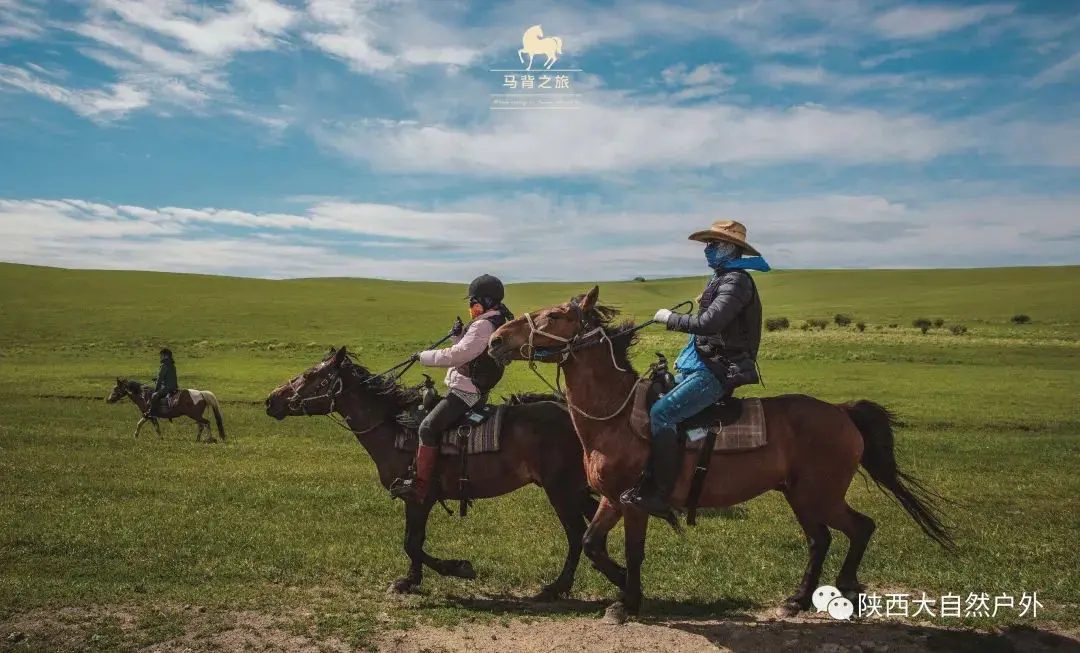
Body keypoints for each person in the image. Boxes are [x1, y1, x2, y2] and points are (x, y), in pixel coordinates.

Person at [621, 220, 771, 518]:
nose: (707, 250)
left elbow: (709, 324)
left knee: (662, 413)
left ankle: (661, 495)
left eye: (713, 244)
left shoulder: (736, 281)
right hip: (703, 365)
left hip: (717, 370)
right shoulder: (722, 279)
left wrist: (670, 318)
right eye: (707, 244)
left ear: (731, 248)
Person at [390, 274, 515, 502]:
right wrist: (458, 335)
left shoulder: (484, 325)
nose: (470, 307)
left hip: (466, 392)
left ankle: (421, 486)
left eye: (473, 302)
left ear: (486, 302)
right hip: (469, 387)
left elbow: (459, 355)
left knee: (427, 428)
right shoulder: (492, 321)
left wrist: (424, 356)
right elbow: (469, 354)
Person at [146, 348, 179, 420]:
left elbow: (160, 379)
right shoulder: (172, 365)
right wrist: (156, 378)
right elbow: (168, 376)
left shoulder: (164, 365)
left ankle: (152, 414)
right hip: (175, 387)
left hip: (167, 388)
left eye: (161, 355)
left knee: (154, 395)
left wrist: (156, 390)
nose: (160, 357)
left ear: (165, 356)